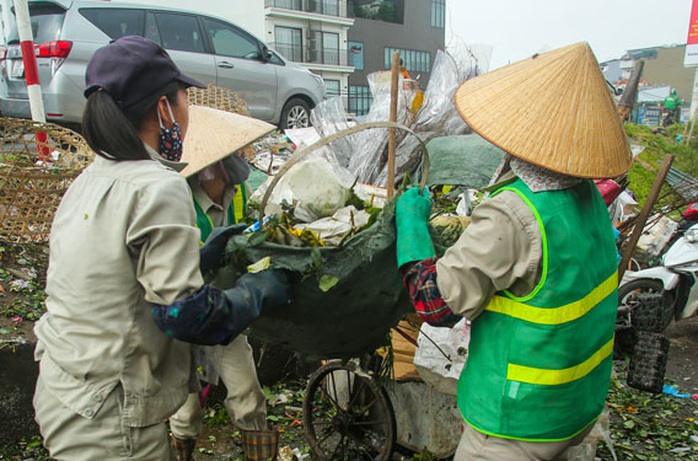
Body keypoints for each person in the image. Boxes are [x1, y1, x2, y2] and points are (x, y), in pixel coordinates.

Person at [32, 35, 291, 461]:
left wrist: (202, 255)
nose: (190, 111)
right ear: (164, 108)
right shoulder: (158, 185)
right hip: (111, 419)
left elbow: (117, 275)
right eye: (186, 98)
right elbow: (185, 316)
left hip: (64, 392)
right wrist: (255, 293)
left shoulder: (90, 179)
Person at [395, 42, 632, 460]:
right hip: (574, 408)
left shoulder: (514, 213)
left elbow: (434, 305)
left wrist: (411, 224)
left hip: (516, 426)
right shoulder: (590, 199)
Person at [168, 106, 278, 461]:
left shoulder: (240, 191)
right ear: (207, 168)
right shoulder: (176, 200)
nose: (235, 167)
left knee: (247, 393)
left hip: (226, 309)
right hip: (184, 315)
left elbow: (250, 235)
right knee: (185, 410)